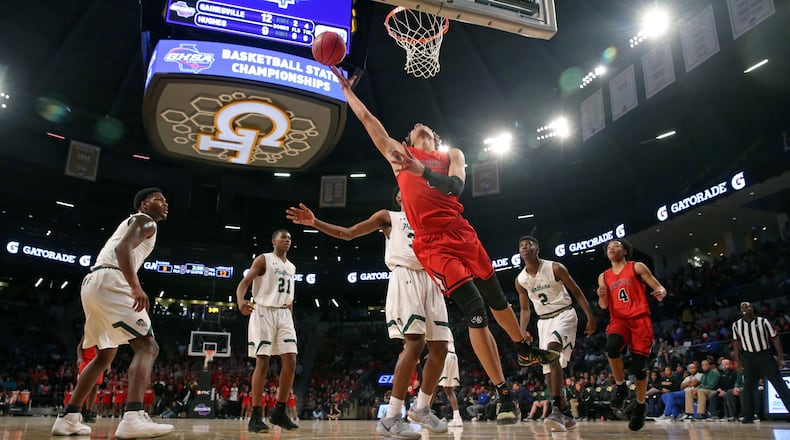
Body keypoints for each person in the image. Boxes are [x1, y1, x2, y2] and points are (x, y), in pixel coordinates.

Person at [328, 65, 557, 428]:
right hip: (432, 244)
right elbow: (369, 120)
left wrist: (423, 173)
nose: (421, 127)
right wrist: (348, 93)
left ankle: (523, 348)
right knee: (476, 311)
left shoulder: (454, 155)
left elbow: (455, 189)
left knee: (497, 299)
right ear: (408, 138)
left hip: (461, 232)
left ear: (434, 137)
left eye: (428, 129)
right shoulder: (397, 155)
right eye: (414, 130)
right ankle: (503, 393)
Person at [286, 191, 449, 438]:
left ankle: (422, 408)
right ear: (399, 197)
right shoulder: (389, 217)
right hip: (405, 277)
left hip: (431, 280)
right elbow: (350, 233)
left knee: (441, 348)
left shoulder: (430, 219)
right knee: (415, 344)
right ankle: (391, 416)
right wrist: (315, 222)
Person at [51, 188, 173, 438]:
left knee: (104, 356)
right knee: (148, 347)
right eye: (158, 199)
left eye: (165, 199)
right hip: (112, 280)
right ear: (144, 204)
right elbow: (123, 249)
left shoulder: (134, 221)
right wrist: (135, 286)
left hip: (92, 282)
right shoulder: (144, 220)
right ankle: (133, 416)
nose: (165, 202)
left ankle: (69, 418)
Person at [515, 235, 596, 431]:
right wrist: (522, 330)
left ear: (537, 249)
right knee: (549, 372)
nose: (524, 248)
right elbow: (525, 309)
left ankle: (557, 410)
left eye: (529, 245)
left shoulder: (555, 267)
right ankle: (566, 413)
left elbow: (576, 291)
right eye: (521, 246)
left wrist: (590, 316)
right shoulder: (520, 280)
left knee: (552, 354)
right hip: (543, 322)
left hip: (564, 314)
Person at [596, 239, 667, 431]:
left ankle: (640, 406)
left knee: (638, 369)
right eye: (609, 246)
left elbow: (658, 286)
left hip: (639, 319)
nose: (611, 247)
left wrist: (661, 291)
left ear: (625, 250)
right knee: (611, 348)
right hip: (619, 320)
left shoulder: (637, 267)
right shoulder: (604, 276)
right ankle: (620, 386)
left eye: (616, 244)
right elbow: (603, 306)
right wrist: (602, 296)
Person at [236, 230, 299, 432]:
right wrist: (240, 301)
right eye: (283, 237)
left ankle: (279, 411)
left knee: (291, 359)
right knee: (263, 360)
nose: (287, 240)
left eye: (289, 238)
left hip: (284, 313)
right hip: (263, 310)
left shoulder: (291, 266)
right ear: (274, 241)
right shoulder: (264, 259)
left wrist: (289, 316)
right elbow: (244, 283)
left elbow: (289, 295)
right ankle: (255, 416)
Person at [731, 301, 790, 424]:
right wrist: (738, 361)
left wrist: (780, 357)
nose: (745, 308)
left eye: (747, 306)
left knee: (779, 384)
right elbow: (736, 344)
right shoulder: (737, 325)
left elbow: (775, 338)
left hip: (765, 356)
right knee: (748, 388)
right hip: (748, 358)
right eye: (742, 307)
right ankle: (749, 416)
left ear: (752, 308)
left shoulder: (763, 321)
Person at [76, 335, 102, 423]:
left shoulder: (103, 334)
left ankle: (88, 412)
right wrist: (80, 358)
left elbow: (107, 350)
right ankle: (76, 411)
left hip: (98, 362)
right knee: (83, 387)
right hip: (86, 361)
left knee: (95, 389)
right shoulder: (88, 332)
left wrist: (108, 362)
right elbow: (79, 347)